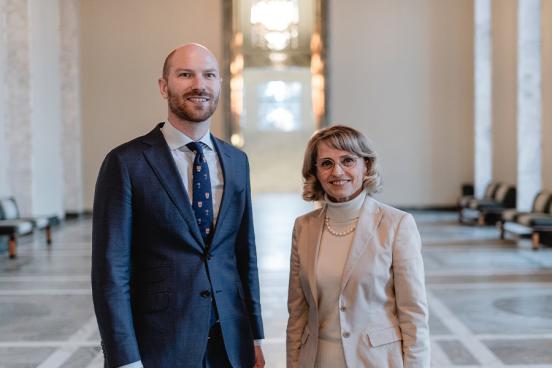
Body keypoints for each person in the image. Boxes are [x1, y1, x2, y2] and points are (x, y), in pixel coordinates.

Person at [91, 43, 265, 368]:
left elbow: (245, 255)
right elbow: (110, 273)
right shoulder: (126, 163)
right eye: (185, 74)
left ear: (220, 86)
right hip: (159, 346)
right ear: (163, 86)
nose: (199, 85)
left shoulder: (237, 161)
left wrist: (254, 337)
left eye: (209, 75)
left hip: (230, 344)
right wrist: (124, 359)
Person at [286, 125, 430, 368]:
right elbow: (297, 314)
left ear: (367, 167)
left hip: (376, 361)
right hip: (317, 361)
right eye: (326, 163)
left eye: (348, 160)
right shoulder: (304, 227)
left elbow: (413, 314)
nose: (337, 171)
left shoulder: (397, 225)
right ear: (315, 172)